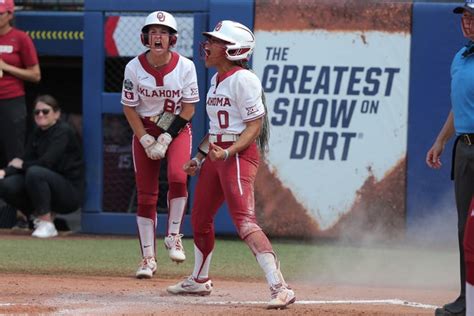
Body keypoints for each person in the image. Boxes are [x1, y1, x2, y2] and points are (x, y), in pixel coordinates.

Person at [166, 20, 296, 309]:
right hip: (217, 154)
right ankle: (199, 279)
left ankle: (280, 286)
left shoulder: (244, 79)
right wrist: (199, 158)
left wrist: (228, 153)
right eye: (211, 40)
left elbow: (254, 126)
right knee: (199, 218)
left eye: (217, 41)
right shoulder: (216, 80)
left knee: (245, 221)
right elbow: (216, 129)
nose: (209, 45)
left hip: (238, 154)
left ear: (233, 49)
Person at [121, 10, 199, 279]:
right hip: (145, 127)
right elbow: (129, 108)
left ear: (172, 39)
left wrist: (166, 137)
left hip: (175, 128)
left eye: (164, 33)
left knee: (178, 177)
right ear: (145, 37)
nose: (158, 37)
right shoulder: (133, 67)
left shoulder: (186, 66)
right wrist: (144, 139)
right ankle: (147, 258)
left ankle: (174, 235)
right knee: (146, 194)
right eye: (154, 32)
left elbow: (188, 108)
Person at [427, 1, 474, 315]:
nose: (468, 23)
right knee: (465, 228)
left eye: (473, 18)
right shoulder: (460, 58)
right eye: (466, 18)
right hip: (464, 148)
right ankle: (466, 299)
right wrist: (441, 140)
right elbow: (460, 107)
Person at [0, 95, 84, 238]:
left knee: (35, 172)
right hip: (42, 187)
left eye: (45, 111)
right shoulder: (37, 132)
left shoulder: (63, 131)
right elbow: (24, 160)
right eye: (37, 112)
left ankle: (47, 223)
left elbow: (46, 163)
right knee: (7, 184)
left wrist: (23, 165)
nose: (40, 115)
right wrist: (4, 171)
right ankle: (36, 217)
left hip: (69, 193)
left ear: (56, 114)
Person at [0, 0, 41, 169]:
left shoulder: (20, 38)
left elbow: (35, 74)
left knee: (13, 149)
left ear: (10, 14)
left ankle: (12, 190)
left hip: (11, 100)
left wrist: (6, 67)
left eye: (0, 13)